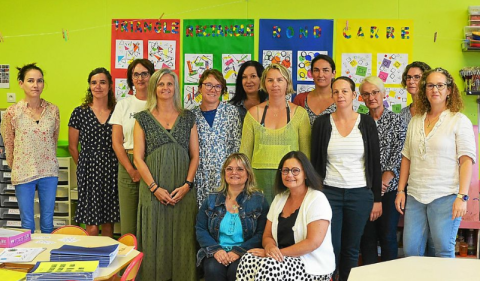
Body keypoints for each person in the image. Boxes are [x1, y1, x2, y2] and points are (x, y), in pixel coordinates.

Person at [395, 68, 476, 258]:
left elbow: (466, 160)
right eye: (430, 85)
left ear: (449, 90)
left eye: (440, 85)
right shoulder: (415, 120)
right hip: (415, 196)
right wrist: (400, 190)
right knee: (410, 251)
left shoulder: (459, 120)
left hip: (446, 197)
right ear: (425, 90)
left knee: (443, 251)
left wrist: (462, 196)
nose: (435, 90)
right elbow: (406, 157)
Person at [311, 76, 382, 281]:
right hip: (329, 193)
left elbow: (374, 163)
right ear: (332, 95)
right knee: (331, 245)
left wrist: (376, 199)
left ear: (354, 95)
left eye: (345, 91)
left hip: (359, 195)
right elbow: (315, 162)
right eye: (336, 91)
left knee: (351, 249)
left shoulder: (366, 122)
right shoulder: (322, 123)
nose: (340, 95)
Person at [133, 68, 199, 280]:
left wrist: (187, 185)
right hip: (153, 191)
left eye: (169, 84)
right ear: (154, 87)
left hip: (183, 191)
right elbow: (138, 158)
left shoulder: (188, 117)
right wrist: (154, 188)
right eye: (161, 84)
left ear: (176, 88)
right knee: (154, 238)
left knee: (183, 239)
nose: (165, 88)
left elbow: (195, 155)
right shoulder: (142, 118)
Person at [236, 151, 335, 281]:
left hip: (312, 266)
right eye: (285, 170)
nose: (289, 175)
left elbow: (313, 242)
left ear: (305, 173)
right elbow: (267, 235)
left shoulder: (317, 199)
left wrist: (276, 254)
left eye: (295, 171)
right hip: (282, 259)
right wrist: (270, 248)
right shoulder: (279, 199)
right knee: (247, 259)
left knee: (270, 265)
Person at [1, 63, 60, 233]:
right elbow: (9, 144)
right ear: (21, 83)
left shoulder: (53, 110)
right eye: (30, 80)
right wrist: (16, 167)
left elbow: (53, 139)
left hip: (48, 171)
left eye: (39, 81)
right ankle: (29, 259)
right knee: (27, 223)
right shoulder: (12, 112)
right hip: (23, 171)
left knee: (48, 222)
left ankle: (47, 257)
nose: (36, 85)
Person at [240, 63, 311, 203]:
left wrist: (304, 183)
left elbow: (306, 155)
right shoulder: (253, 114)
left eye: (280, 80)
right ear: (264, 84)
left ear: (287, 83)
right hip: (258, 178)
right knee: (261, 222)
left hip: (291, 178)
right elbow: (244, 154)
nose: (275, 84)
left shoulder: (300, 114)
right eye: (270, 80)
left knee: (288, 222)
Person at [196, 153, 269, 281]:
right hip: (216, 252)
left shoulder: (259, 200)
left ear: (248, 175)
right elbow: (200, 228)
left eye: (240, 169)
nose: (234, 172)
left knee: (236, 270)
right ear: (224, 173)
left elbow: (262, 233)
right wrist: (216, 250)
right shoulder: (211, 199)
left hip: (246, 252)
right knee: (213, 269)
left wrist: (238, 251)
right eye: (229, 169)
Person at [358, 76, 406, 264]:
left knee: (387, 235)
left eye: (375, 92)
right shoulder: (359, 122)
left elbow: (400, 152)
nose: (371, 97)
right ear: (361, 97)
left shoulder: (396, 120)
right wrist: (372, 185)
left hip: (390, 188)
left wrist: (384, 181)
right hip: (365, 188)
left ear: (383, 93)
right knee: (367, 237)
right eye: (366, 94)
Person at [68, 67, 119, 237]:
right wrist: (84, 165)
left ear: (110, 86)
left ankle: (108, 260)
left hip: (112, 169)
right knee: (91, 224)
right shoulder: (79, 113)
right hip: (88, 170)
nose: (98, 86)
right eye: (94, 82)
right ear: (89, 86)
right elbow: (73, 147)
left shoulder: (118, 111)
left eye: (102, 82)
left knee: (108, 222)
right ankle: (92, 260)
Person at [109, 59, 154, 235]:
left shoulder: (159, 104)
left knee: (151, 220)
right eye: (136, 74)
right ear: (131, 79)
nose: (140, 78)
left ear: (152, 76)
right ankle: (130, 262)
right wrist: (131, 169)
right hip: (128, 163)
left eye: (145, 74)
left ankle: (149, 261)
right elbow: (116, 142)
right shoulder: (123, 105)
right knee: (129, 223)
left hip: (152, 162)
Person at [193, 69, 242, 207]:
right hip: (200, 179)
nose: (213, 89)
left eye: (217, 86)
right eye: (208, 85)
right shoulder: (191, 116)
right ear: (200, 88)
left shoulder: (231, 113)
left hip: (226, 178)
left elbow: (236, 146)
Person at [293, 55, 336, 125]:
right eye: (316, 70)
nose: (320, 75)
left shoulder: (340, 99)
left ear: (333, 74)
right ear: (312, 74)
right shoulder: (300, 99)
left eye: (325, 70)